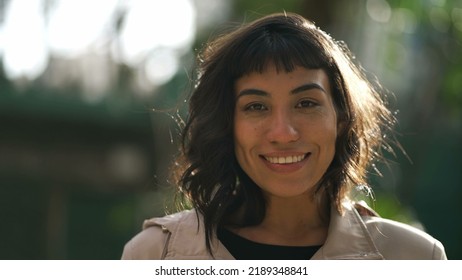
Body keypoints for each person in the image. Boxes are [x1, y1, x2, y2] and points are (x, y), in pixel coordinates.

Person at [121, 12, 447, 260]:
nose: (283, 133)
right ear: (226, 123)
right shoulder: (155, 254)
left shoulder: (415, 257)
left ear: (342, 116)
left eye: (306, 103)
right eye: (256, 106)